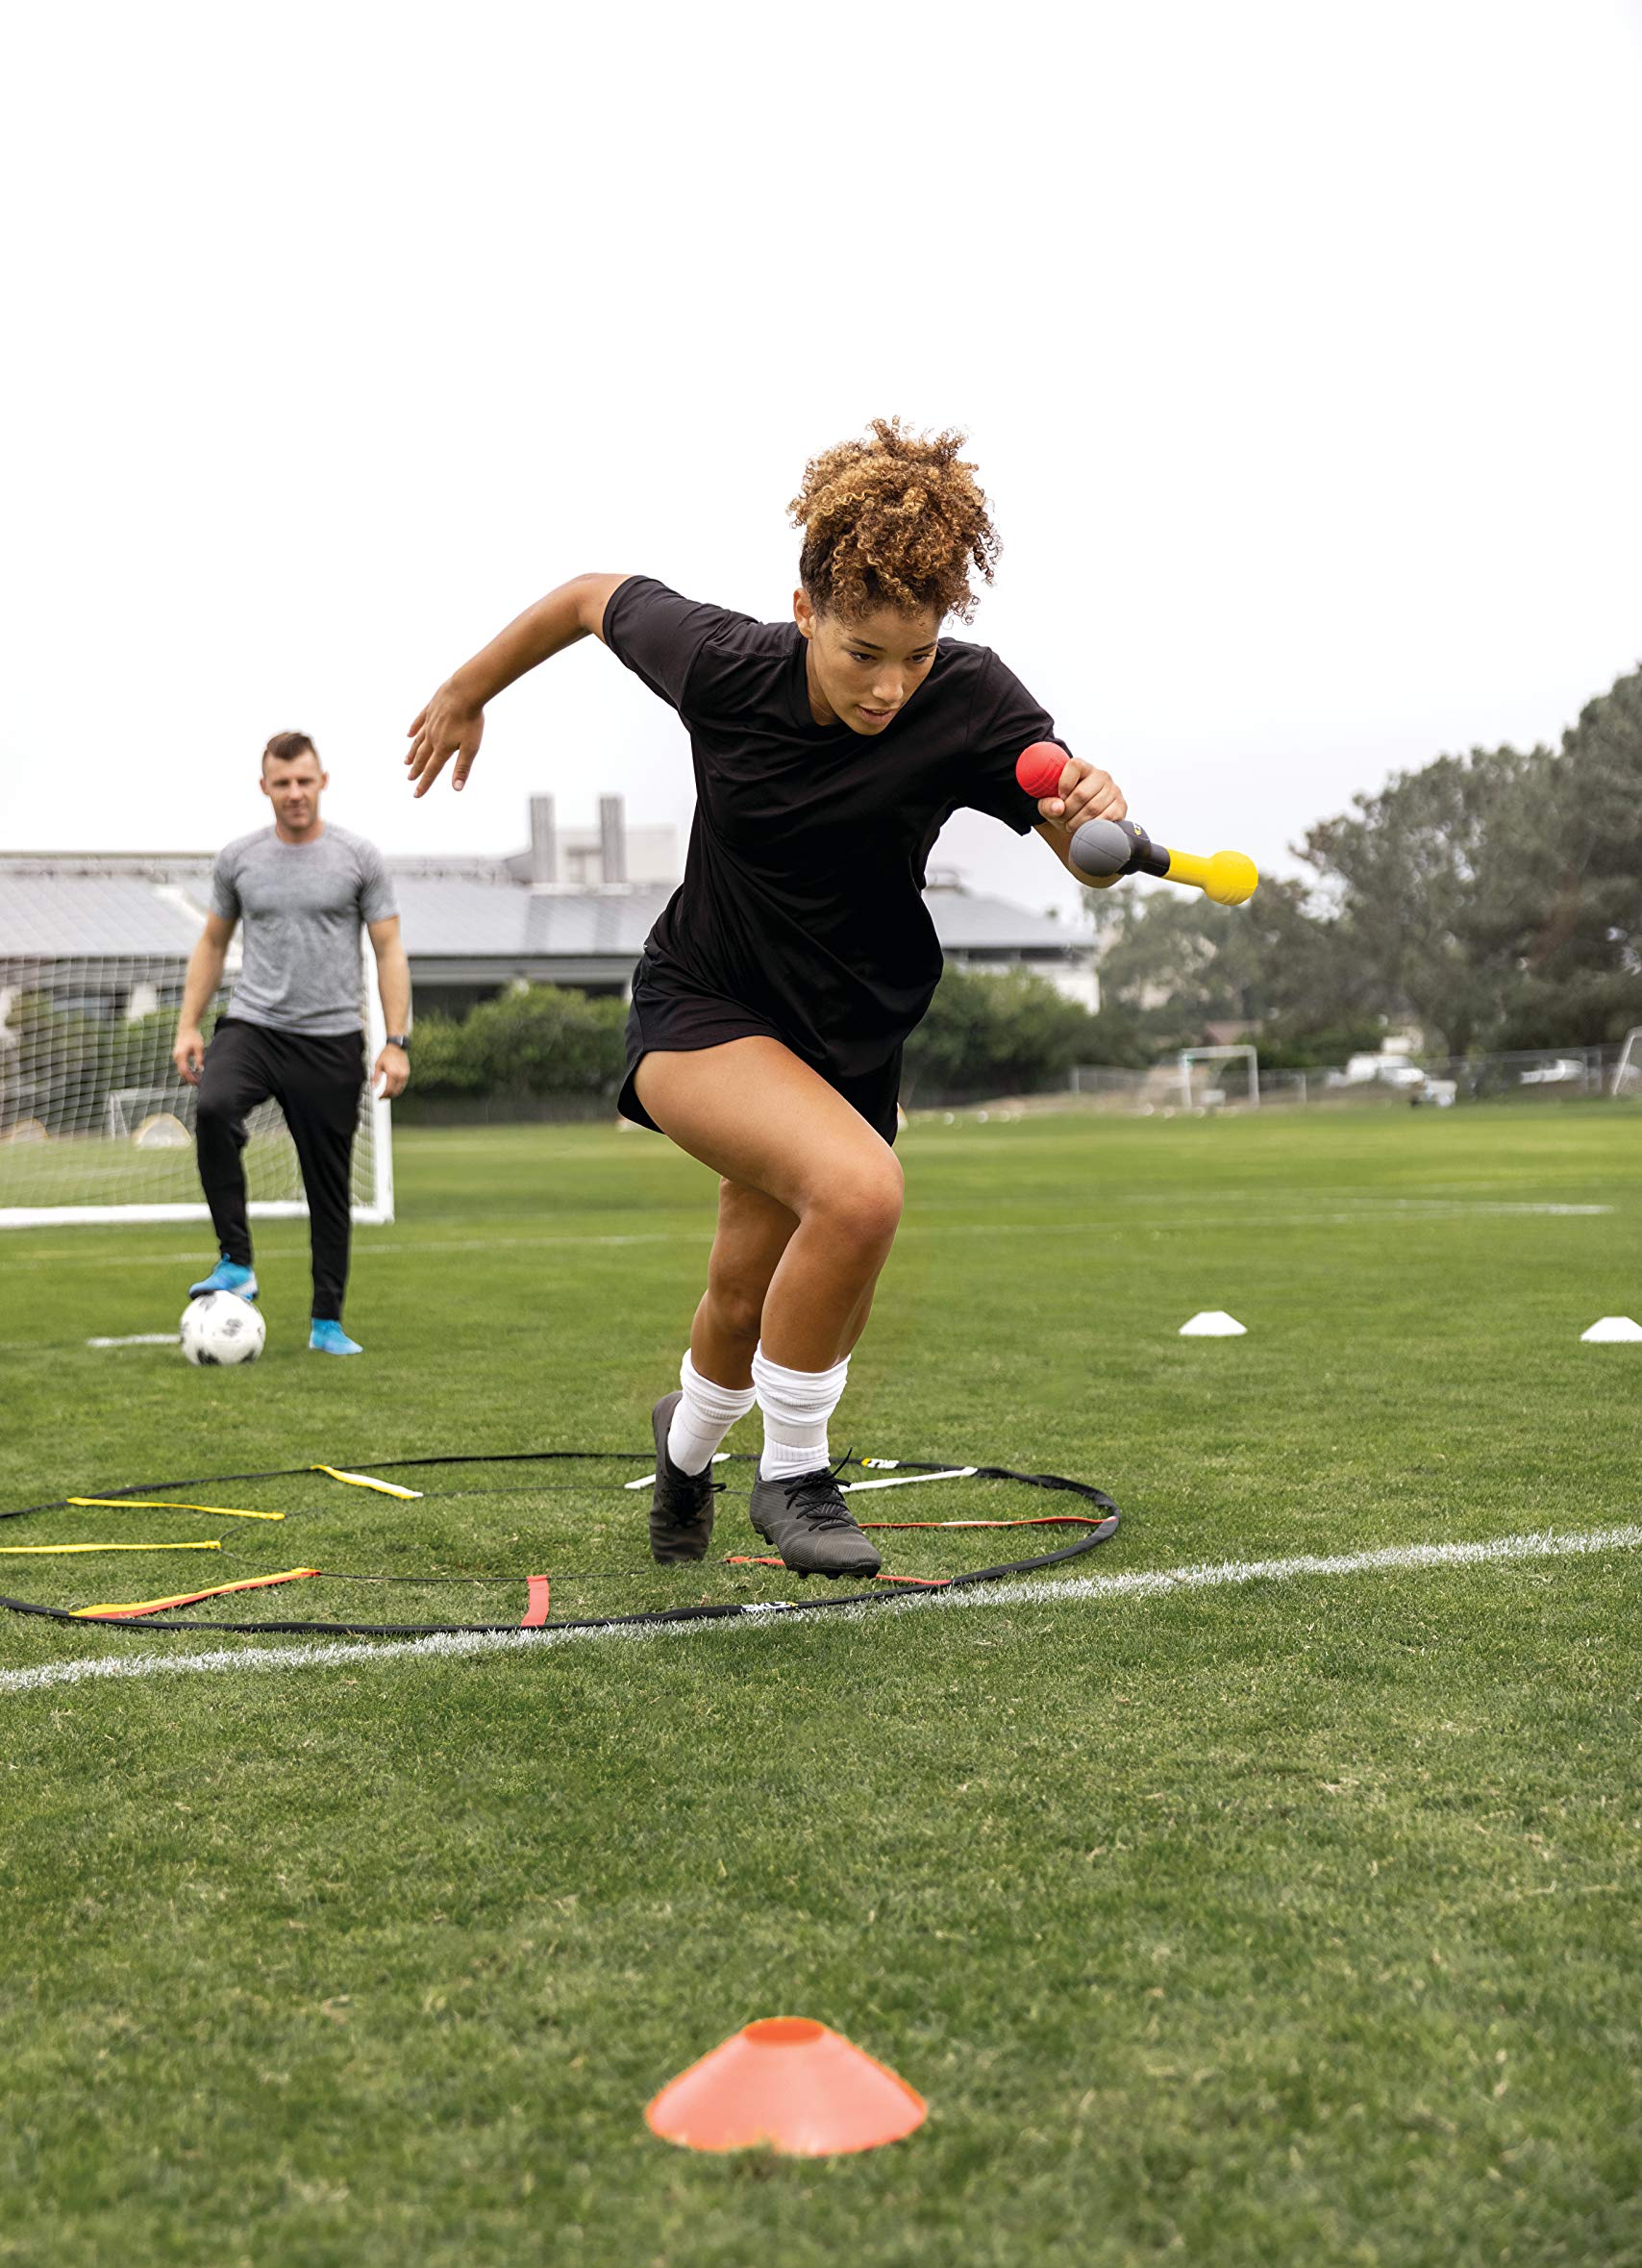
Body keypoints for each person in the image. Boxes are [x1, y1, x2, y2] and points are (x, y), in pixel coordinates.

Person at [406, 418, 1126, 1567]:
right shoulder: (722, 662)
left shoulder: (972, 697)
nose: (890, 687)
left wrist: (1083, 810)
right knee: (860, 1192)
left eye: (915, 654)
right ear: (804, 613)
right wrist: (465, 687)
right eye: (859, 653)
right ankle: (793, 1475)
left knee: (751, 1285)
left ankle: (684, 1456)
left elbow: (1060, 828)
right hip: (706, 1008)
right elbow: (592, 596)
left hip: (851, 1036)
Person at [172, 732, 411, 1355]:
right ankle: (236, 1261)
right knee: (214, 1107)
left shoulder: (358, 857)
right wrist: (188, 1024)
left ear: (322, 781)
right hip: (253, 1025)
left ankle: (326, 1323)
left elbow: (388, 948)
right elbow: (213, 944)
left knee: (328, 1185)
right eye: (283, 783)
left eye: (305, 781)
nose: (295, 793)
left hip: (330, 1038)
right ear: (265, 788)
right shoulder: (239, 859)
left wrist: (396, 1039)